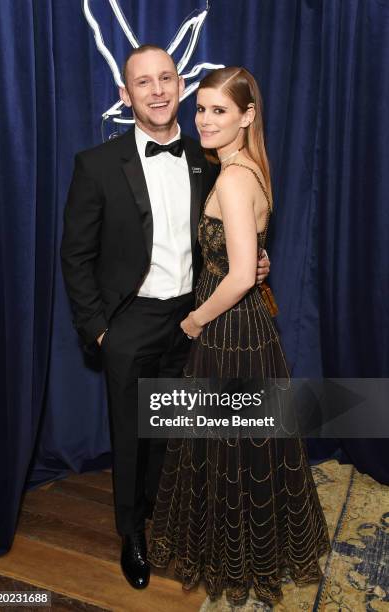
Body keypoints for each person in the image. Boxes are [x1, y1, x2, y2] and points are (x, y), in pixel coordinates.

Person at [60, 46, 270, 591]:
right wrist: (99, 329)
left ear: (179, 85)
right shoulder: (96, 164)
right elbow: (76, 256)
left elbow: (224, 236)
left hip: (195, 318)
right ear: (125, 95)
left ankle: (167, 520)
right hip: (129, 322)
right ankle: (132, 533)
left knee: (178, 432)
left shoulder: (208, 157)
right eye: (142, 82)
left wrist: (252, 261)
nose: (156, 90)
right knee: (131, 435)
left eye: (166, 78)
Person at [148, 67, 331, 606]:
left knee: (227, 450)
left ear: (247, 116)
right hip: (248, 327)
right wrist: (250, 265)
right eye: (201, 108)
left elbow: (235, 274)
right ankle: (250, 550)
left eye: (219, 110)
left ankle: (236, 560)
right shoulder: (248, 167)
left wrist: (195, 320)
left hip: (228, 328)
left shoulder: (231, 177)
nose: (203, 120)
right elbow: (247, 260)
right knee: (245, 448)